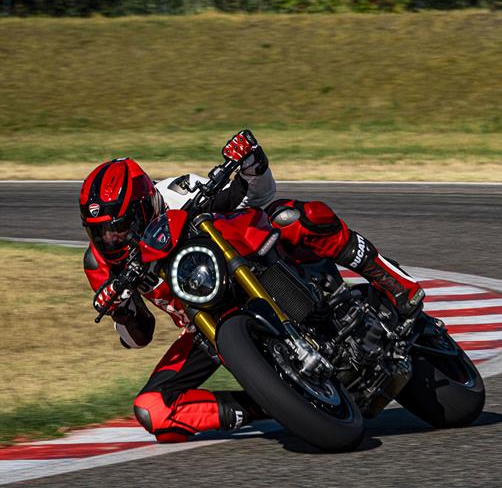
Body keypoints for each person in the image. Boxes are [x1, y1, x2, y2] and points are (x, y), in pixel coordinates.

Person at [80, 130, 424, 443]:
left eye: (119, 227)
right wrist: (121, 312)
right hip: (203, 327)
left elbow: (254, 197)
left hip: (248, 267)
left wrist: (251, 165)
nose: (111, 239)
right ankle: (275, 402)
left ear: (144, 206)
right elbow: (139, 337)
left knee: (291, 216)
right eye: (100, 231)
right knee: (151, 408)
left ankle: (395, 283)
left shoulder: (177, 192)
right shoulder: (99, 263)